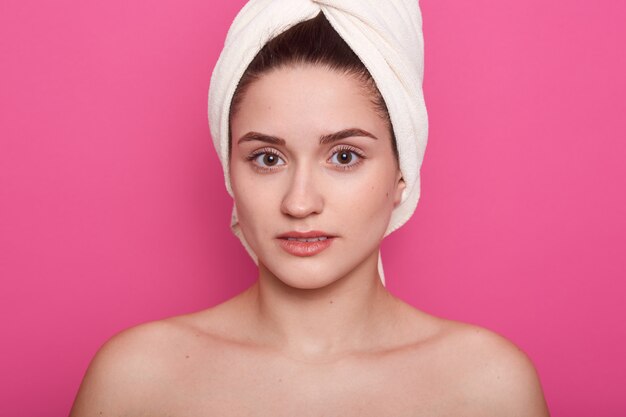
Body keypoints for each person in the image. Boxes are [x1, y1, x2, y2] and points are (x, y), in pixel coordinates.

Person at [70, 1, 550, 415]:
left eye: (344, 157)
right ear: (230, 170)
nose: (299, 203)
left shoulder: (489, 386)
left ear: (403, 173)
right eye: (267, 158)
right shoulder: (135, 380)